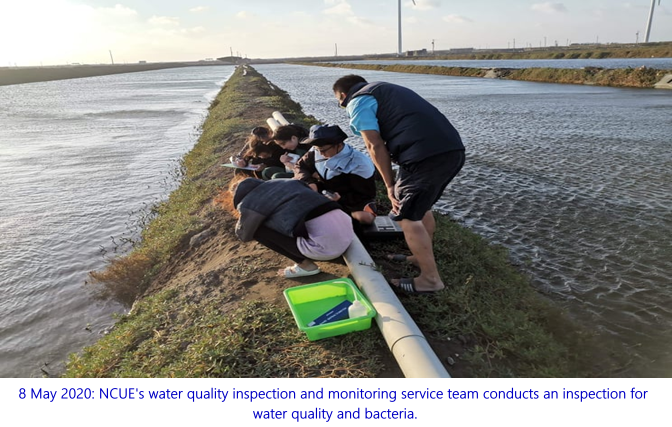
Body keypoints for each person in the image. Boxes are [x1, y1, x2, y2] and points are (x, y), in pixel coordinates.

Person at [333, 74, 465, 294]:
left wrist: (389, 183)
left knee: (405, 215)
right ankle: (420, 256)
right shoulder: (385, 89)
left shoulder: (357, 101)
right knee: (421, 208)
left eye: (340, 102)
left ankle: (431, 280)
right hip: (451, 150)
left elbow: (374, 144)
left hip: (423, 156)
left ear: (343, 95)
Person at [232, 177, 355, 278]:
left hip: (327, 248)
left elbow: (244, 234)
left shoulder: (249, 202)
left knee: (258, 230)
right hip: (349, 230)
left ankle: (306, 266)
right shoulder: (287, 182)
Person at [294, 124, 377, 225]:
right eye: (317, 149)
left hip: (349, 198)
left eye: (323, 150)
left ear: (339, 145)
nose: (320, 153)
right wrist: (309, 182)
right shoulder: (316, 150)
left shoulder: (360, 163)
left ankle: (343, 215)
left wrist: (340, 198)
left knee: (365, 218)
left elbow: (366, 194)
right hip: (323, 191)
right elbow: (300, 166)